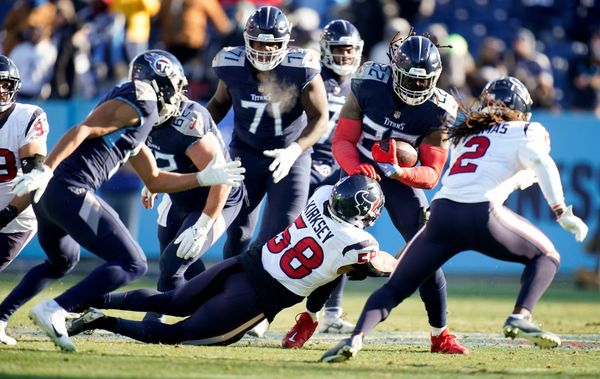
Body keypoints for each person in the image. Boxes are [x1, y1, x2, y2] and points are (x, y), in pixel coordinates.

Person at [320, 76, 589, 363]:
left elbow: (480, 171)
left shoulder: (467, 133)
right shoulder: (526, 129)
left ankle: (356, 338)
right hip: (481, 213)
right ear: (520, 109)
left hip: (442, 213)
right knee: (547, 256)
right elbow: (540, 161)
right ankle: (520, 316)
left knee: (395, 288)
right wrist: (561, 211)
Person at [0, 49, 245, 351]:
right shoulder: (142, 100)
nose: (176, 96)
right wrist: (46, 168)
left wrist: (203, 178)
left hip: (48, 196)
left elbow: (154, 179)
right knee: (133, 263)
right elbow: (82, 130)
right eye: (170, 87)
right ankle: (57, 309)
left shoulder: (143, 116)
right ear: (155, 84)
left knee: (62, 261)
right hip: (70, 189)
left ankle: (0, 319)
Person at [66, 175, 396, 346]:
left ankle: (86, 299)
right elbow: (377, 266)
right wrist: (407, 258)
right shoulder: (359, 241)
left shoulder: (322, 194)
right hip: (259, 296)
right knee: (175, 334)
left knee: (172, 300)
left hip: (248, 262)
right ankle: (100, 321)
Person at [328, 31, 468, 354]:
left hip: (400, 178)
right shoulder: (369, 82)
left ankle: (440, 334)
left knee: (426, 252)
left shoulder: (439, 109)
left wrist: (400, 171)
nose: (417, 88)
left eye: (424, 82)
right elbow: (342, 141)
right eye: (411, 79)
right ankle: (308, 318)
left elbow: (432, 174)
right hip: (359, 166)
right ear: (395, 69)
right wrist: (355, 169)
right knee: (334, 244)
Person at [206, 5, 329, 335]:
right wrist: (200, 137)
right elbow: (218, 104)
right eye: (257, 43)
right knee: (237, 231)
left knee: (280, 232)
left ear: (286, 43)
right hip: (245, 153)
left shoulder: (301, 67)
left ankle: (259, 308)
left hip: (290, 156)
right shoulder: (230, 64)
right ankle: (225, 296)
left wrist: (294, 150)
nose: (264, 50)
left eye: (272, 44)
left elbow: (320, 118)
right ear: (247, 40)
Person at [281, 19, 364, 345]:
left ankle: (331, 313)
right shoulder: (312, 76)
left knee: (344, 238)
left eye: (349, 50)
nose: (344, 56)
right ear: (326, 50)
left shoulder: (361, 85)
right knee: (287, 233)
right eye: (339, 49)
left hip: (339, 171)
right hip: (305, 163)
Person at [140, 98, 246, 323]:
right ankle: (224, 307)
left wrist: (203, 225)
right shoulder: (138, 113)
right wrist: (153, 180)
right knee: (178, 261)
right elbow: (157, 154)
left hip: (216, 198)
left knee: (174, 263)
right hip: (180, 196)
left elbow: (221, 180)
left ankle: (180, 319)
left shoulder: (188, 123)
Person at [0, 55, 50, 345]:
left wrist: (5, 213)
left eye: (4, 84)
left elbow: (33, 178)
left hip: (17, 217)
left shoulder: (27, 116)